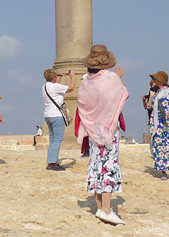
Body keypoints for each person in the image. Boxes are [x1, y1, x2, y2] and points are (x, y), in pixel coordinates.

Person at [77, 45, 128, 225]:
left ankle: (100, 207)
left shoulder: (86, 81)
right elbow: (123, 95)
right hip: (109, 129)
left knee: (97, 164)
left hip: (93, 129)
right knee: (108, 165)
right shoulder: (111, 78)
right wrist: (119, 79)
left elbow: (82, 104)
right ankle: (106, 210)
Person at [42, 67, 75, 170]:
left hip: (48, 115)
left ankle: (51, 161)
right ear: (53, 77)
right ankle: (52, 163)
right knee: (57, 139)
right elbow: (71, 88)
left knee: (52, 139)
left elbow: (56, 83)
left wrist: (61, 74)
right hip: (56, 115)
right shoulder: (55, 87)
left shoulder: (44, 86)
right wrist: (72, 77)